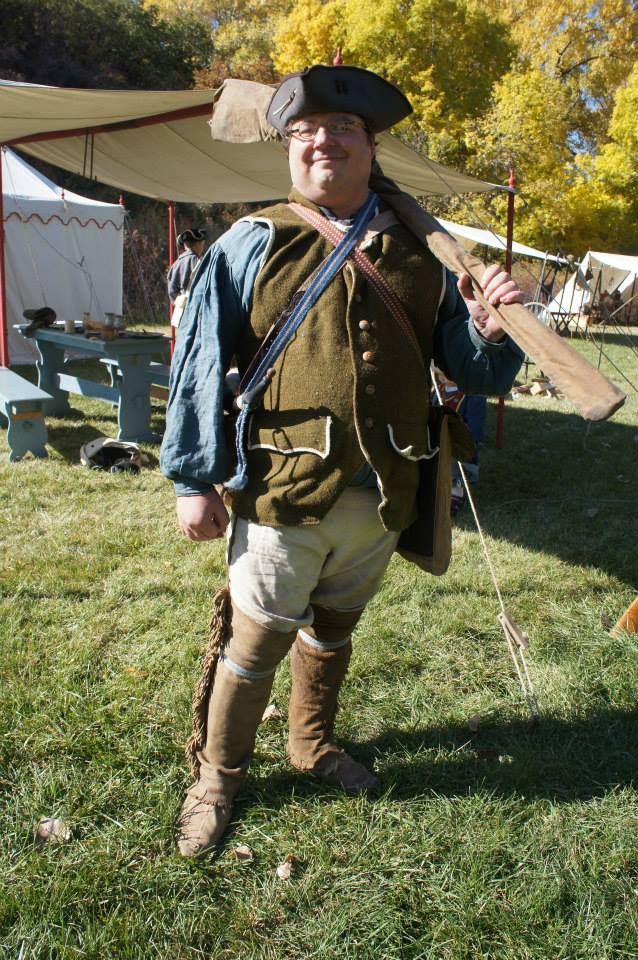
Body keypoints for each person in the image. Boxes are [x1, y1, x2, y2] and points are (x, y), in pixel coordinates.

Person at [160, 64, 525, 858]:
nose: (323, 141)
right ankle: (217, 778)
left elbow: (475, 370)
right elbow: (199, 363)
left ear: (370, 146)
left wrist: (490, 331)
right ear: (290, 148)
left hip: (387, 486)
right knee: (256, 641)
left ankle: (311, 743)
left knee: (333, 629)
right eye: (305, 132)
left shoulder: (423, 252)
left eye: (342, 130)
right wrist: (194, 477)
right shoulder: (251, 241)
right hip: (282, 486)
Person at [166, 228, 206, 305]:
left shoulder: (175, 265)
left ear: (185, 246)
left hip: (181, 308)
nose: (202, 247)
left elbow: (172, 293)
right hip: (198, 305)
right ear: (197, 244)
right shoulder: (199, 261)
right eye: (202, 244)